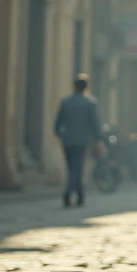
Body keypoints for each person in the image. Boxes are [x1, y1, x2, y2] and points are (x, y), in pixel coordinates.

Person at [53, 74, 102, 207]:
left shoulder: (66, 102)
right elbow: (95, 124)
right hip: (82, 141)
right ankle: (68, 193)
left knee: (73, 168)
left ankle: (80, 196)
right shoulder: (90, 103)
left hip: (67, 140)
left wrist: (59, 134)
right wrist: (98, 140)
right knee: (77, 169)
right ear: (86, 87)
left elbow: (58, 123)